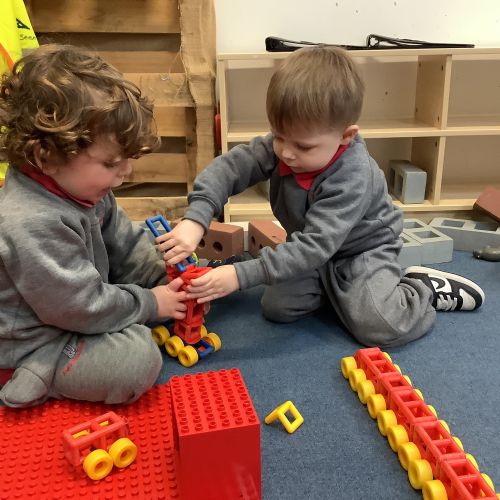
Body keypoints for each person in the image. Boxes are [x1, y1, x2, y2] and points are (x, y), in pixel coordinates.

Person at [156, 46, 485, 348]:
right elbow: (228, 169)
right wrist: (196, 219)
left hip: (362, 250)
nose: (286, 152)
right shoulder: (287, 145)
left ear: (345, 136)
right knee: (278, 308)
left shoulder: (353, 174)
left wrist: (240, 276)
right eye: (279, 136)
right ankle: (343, 293)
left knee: (380, 327)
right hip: (312, 247)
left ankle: (422, 289)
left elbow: (315, 247)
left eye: (303, 146)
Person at [0, 44, 189, 408]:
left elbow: (125, 244)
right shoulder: (29, 222)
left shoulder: (87, 189)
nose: (125, 172)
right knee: (136, 360)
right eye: (111, 163)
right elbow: (80, 307)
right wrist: (151, 303)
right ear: (46, 156)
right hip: (36, 338)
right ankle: (37, 370)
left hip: (76, 304)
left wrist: (167, 279)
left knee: (150, 272)